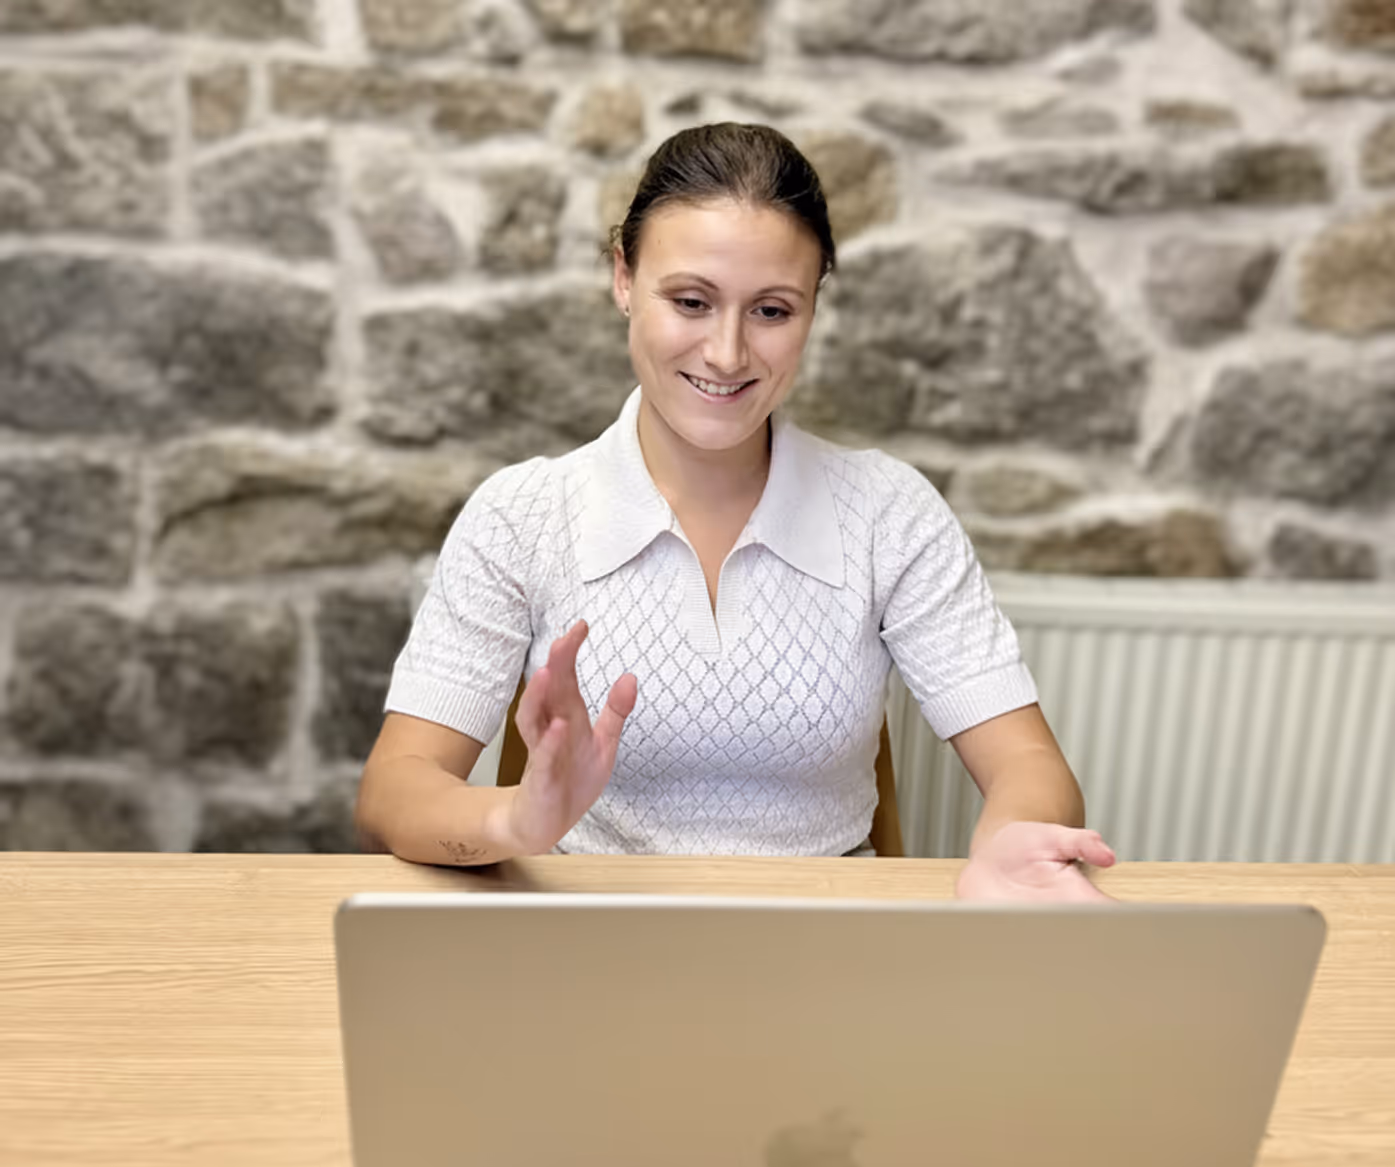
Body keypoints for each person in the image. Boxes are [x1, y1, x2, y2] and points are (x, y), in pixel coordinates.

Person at [356, 122, 1116, 900]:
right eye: (690, 300)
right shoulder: (520, 516)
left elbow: (1028, 765)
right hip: (587, 953)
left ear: (813, 307)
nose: (725, 353)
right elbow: (394, 788)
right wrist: (515, 820)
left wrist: (1008, 845)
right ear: (623, 278)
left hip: (826, 959)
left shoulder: (891, 513)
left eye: (772, 311)